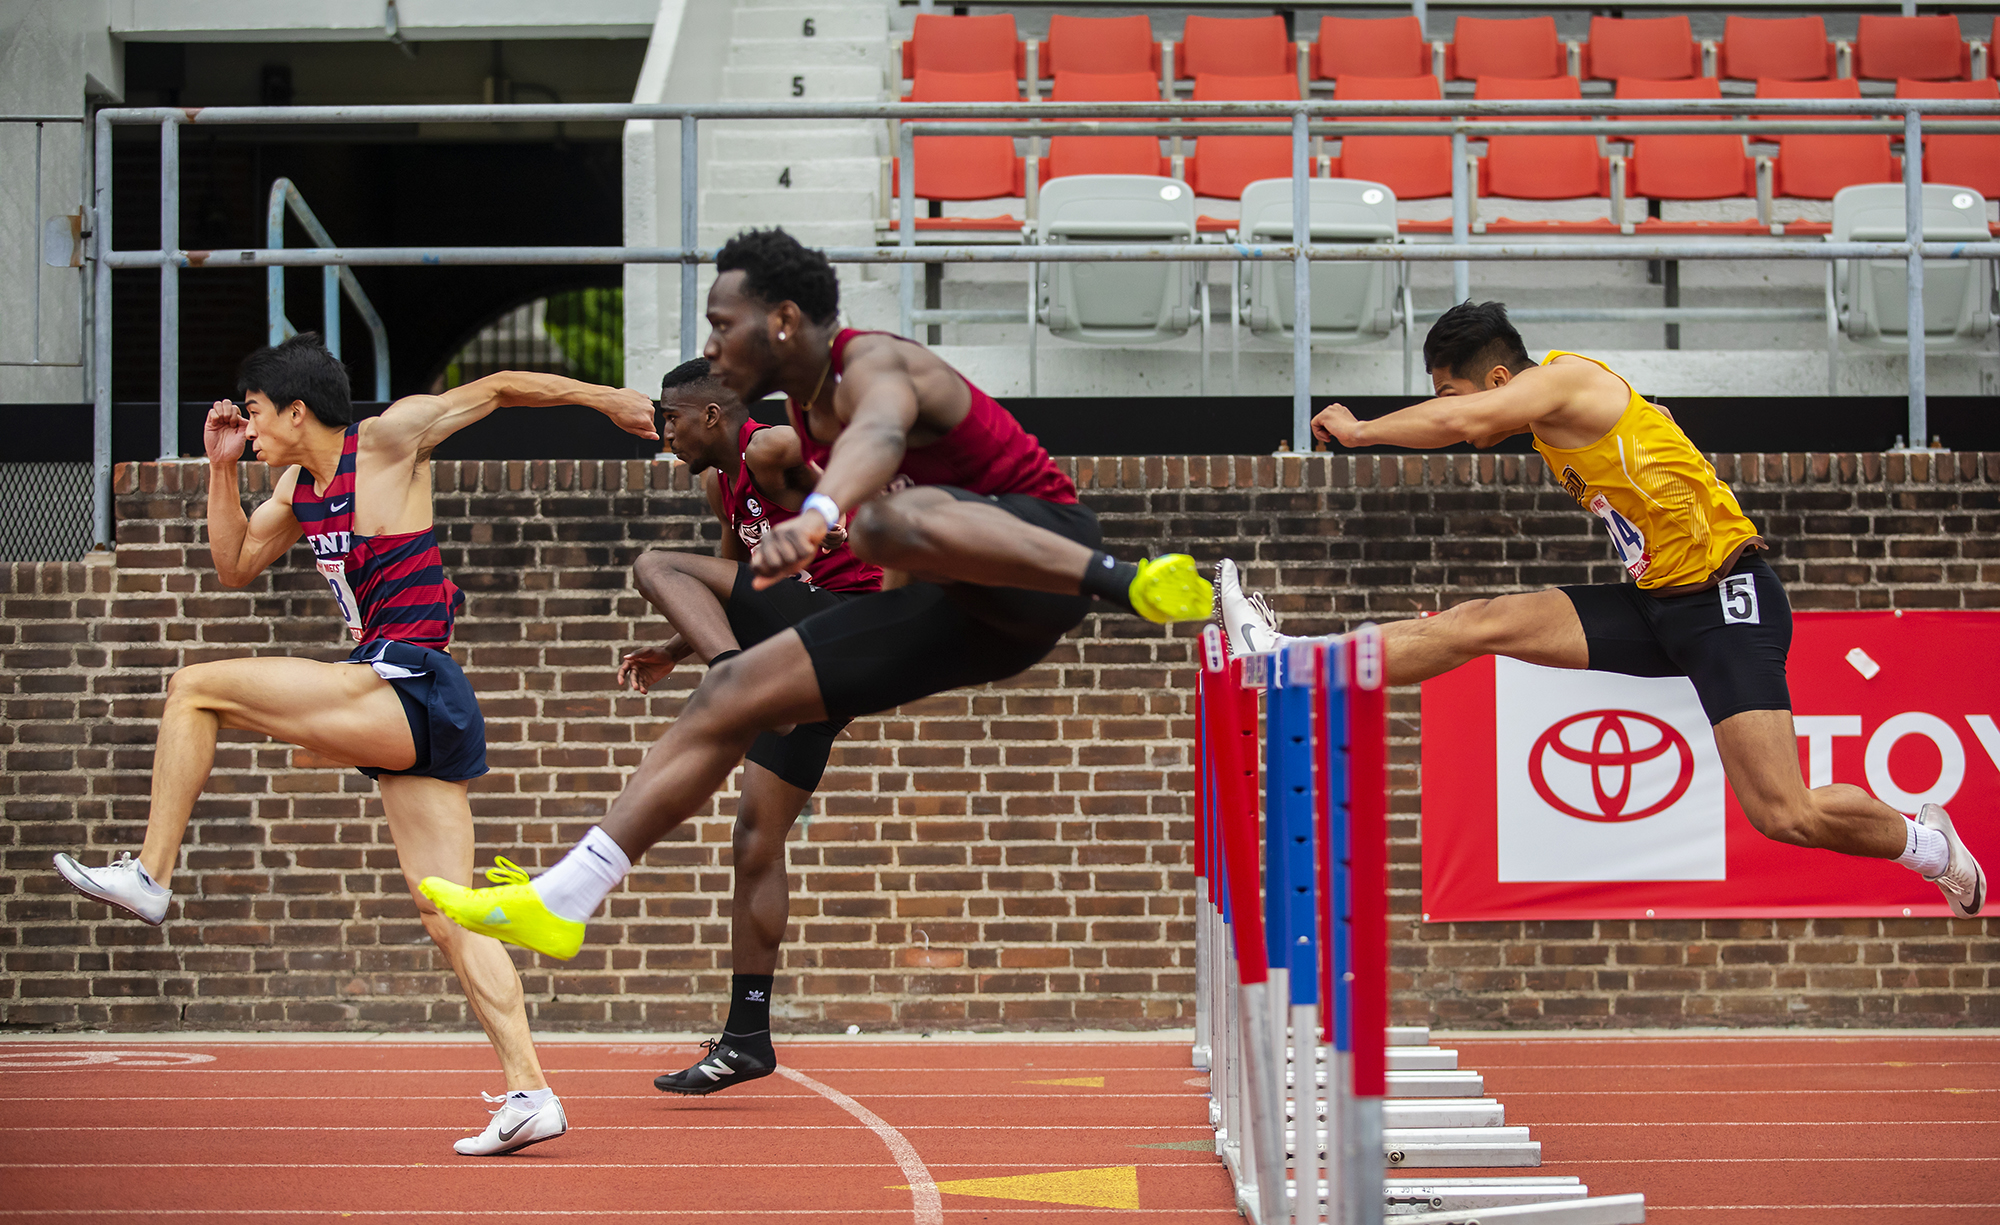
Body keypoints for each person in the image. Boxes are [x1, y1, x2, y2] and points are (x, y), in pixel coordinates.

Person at [418, 227, 1214, 961]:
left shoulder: (873, 365)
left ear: (784, 320)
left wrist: (824, 514)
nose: (711, 346)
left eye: (722, 323)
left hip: (1048, 559)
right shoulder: (798, 416)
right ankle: (567, 894)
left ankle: (1132, 580)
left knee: (887, 521)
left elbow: (881, 437)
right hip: (964, 610)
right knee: (730, 690)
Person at [52, 333, 660, 1153]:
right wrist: (223, 466)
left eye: (257, 414)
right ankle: (531, 1091)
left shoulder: (389, 438)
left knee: (194, 685)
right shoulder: (296, 487)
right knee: (449, 908)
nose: (250, 425)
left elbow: (504, 386)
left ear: (298, 409)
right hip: (405, 704)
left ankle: (151, 874)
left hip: (408, 679)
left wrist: (605, 399)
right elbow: (232, 565)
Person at [1218, 300, 1985, 919]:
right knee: (1478, 622)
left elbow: (1466, 423)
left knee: (1786, 813)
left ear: (1495, 377)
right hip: (1656, 604)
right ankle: (1284, 658)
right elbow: (1474, 417)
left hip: (1726, 599)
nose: (1445, 407)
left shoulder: (1568, 381)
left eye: (1446, 387)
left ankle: (1930, 845)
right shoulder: (1547, 424)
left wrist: (1359, 431)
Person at [617, 356, 883, 1094]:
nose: (661, 431)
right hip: (803, 657)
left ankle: (735, 675)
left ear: (712, 414)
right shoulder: (717, 482)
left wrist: (829, 513)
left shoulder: (765, 446)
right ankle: (747, 1039)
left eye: (669, 417)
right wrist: (676, 649)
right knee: (756, 836)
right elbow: (739, 582)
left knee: (653, 563)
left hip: (854, 626)